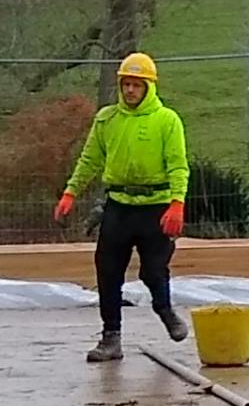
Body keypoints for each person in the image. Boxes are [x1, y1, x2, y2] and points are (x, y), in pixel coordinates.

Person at [55, 52, 194, 362]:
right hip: (118, 206)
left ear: (149, 87)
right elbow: (90, 159)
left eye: (137, 85)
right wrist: (70, 192)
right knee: (107, 270)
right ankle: (111, 338)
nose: (131, 90)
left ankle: (164, 308)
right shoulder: (107, 119)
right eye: (126, 84)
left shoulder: (166, 120)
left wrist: (177, 203)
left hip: (156, 207)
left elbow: (178, 166)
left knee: (153, 270)